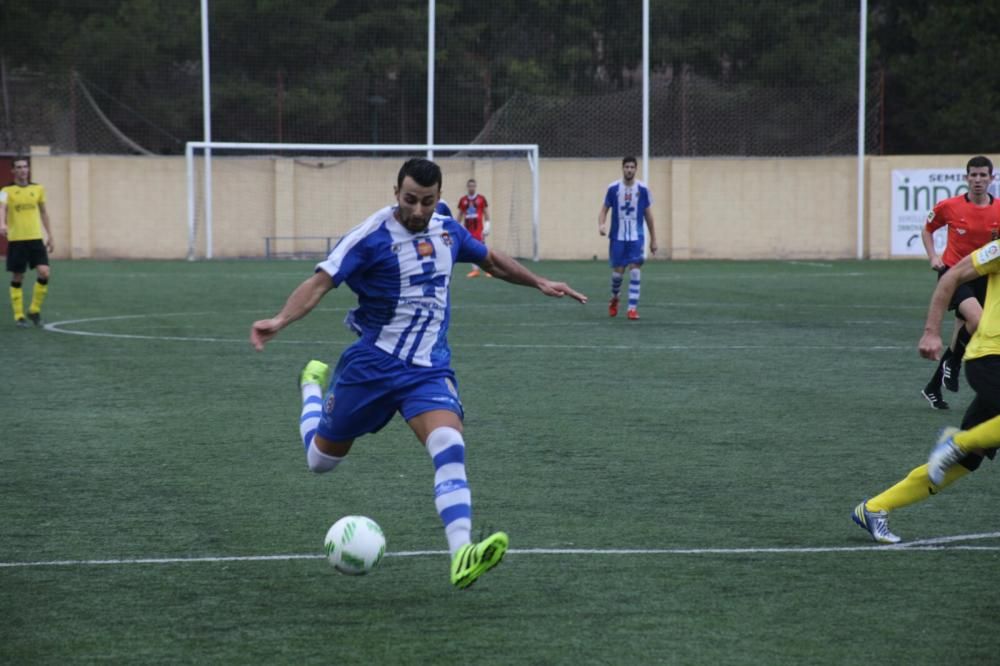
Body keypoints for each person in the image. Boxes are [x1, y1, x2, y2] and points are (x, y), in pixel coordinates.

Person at [250, 158, 587, 588]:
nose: (418, 210)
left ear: (438, 197)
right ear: (396, 193)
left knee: (449, 442)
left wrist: (538, 281)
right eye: (410, 200)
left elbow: (492, 261)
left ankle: (461, 552)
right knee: (320, 461)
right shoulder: (370, 236)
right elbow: (319, 282)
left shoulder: (447, 227)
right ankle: (311, 390)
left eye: (427, 201)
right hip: (371, 367)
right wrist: (280, 320)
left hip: (428, 370)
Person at [853, 236, 1000, 544]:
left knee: (966, 459)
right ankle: (956, 441)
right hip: (989, 357)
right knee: (964, 446)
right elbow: (953, 275)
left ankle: (875, 508)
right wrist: (931, 331)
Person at [919, 155, 1000, 409]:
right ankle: (953, 364)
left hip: (983, 276)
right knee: (977, 320)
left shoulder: (998, 208)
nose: (978, 180)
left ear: (991, 178)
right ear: (966, 178)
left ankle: (932, 388)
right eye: (973, 175)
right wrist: (933, 256)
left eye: (982, 175)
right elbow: (927, 229)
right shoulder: (950, 206)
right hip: (953, 274)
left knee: (961, 336)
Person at [598, 156, 657, 320]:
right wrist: (601, 225)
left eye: (632, 167)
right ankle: (615, 297)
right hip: (617, 237)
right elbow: (603, 210)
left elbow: (649, 216)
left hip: (636, 236)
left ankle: (632, 308)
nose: (629, 170)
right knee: (618, 274)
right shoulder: (613, 188)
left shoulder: (643, 189)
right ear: (622, 168)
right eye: (627, 167)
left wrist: (654, 239)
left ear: (635, 169)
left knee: (635, 270)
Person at [0, 156, 53, 328]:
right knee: (18, 276)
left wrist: (50, 235)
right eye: (19, 167)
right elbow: (2, 207)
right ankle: (19, 316)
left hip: (35, 239)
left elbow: (44, 212)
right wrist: (2, 223)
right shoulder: (5, 190)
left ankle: (34, 310)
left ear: (28, 169)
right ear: (13, 171)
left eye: (25, 167)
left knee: (44, 273)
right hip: (17, 240)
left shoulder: (38, 188)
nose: (23, 170)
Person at [457, 178, 490, 277]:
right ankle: (475, 271)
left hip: (479, 229)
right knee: (472, 249)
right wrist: (457, 225)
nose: (471, 188)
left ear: (475, 187)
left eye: (473, 186)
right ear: (467, 187)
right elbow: (460, 215)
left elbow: (486, 214)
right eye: (470, 186)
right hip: (468, 230)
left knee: (482, 249)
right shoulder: (463, 200)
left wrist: (488, 225)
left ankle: (489, 270)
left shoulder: (481, 199)